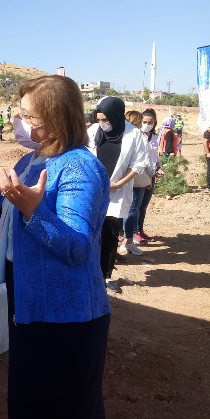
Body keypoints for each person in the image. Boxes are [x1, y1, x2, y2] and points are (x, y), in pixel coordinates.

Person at [0, 75, 111, 419]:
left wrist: (33, 209)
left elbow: (77, 248)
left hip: (67, 314)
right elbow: (9, 221)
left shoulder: (80, 167)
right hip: (28, 299)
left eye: (28, 115)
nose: (20, 120)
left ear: (55, 118)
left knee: (66, 408)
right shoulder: (29, 162)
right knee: (30, 400)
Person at [87, 96, 146, 290]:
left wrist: (119, 184)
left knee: (111, 235)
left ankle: (106, 276)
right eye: (100, 119)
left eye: (106, 119)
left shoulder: (133, 134)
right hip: (93, 192)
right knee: (91, 234)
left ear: (115, 115)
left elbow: (138, 165)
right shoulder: (94, 131)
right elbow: (84, 156)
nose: (102, 123)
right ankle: (90, 273)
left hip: (117, 194)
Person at [119, 111, 146, 256]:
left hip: (128, 179)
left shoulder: (129, 135)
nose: (144, 124)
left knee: (130, 210)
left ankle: (125, 239)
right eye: (142, 121)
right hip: (132, 179)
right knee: (131, 210)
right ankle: (127, 241)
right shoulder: (135, 135)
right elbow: (141, 161)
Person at [134, 109, 162, 242]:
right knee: (135, 206)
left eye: (150, 122)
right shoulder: (137, 136)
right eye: (144, 122)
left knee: (143, 205)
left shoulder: (153, 137)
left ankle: (140, 230)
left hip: (151, 175)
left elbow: (154, 156)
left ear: (154, 123)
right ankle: (132, 232)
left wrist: (158, 168)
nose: (147, 124)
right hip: (140, 175)